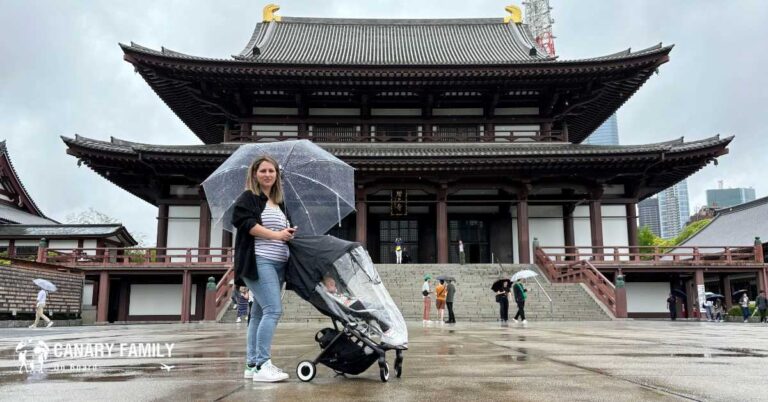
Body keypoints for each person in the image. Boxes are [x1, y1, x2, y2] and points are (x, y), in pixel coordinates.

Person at [232, 155, 296, 383]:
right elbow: (246, 224)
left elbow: (282, 232)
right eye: (263, 171)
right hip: (259, 261)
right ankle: (262, 364)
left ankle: (252, 365)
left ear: (277, 175)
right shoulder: (248, 198)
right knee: (273, 311)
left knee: (258, 314)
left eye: (272, 171)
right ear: (254, 174)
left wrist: (288, 233)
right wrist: (277, 234)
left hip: (279, 264)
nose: (268, 174)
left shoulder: (280, 203)